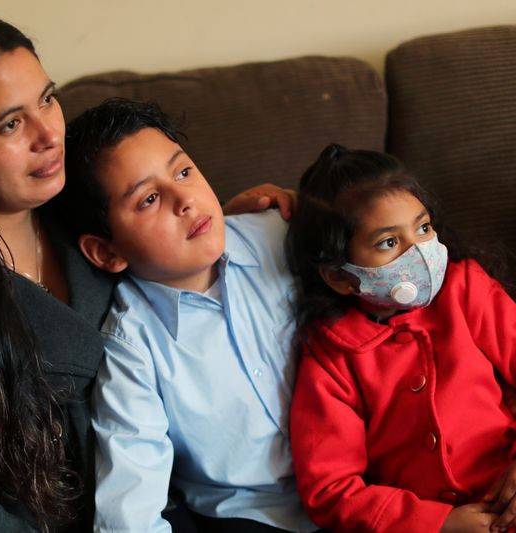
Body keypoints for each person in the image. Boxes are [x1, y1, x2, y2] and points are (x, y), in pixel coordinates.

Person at [0, 12, 293, 532]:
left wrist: (229, 232)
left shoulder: (66, 191)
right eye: (10, 123)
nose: (49, 135)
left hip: (169, 498)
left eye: (47, 99)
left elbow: (156, 235)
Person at [284, 144, 516, 533]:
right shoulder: (330, 356)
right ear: (339, 275)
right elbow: (330, 488)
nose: (420, 251)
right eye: (389, 242)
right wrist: (437, 524)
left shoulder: (466, 290)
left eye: (423, 228)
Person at [57, 98, 319, 532]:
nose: (185, 200)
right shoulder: (131, 345)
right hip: (247, 516)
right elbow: (129, 509)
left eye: (183, 172)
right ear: (106, 251)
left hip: (365, 479)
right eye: (150, 199)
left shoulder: (284, 234)